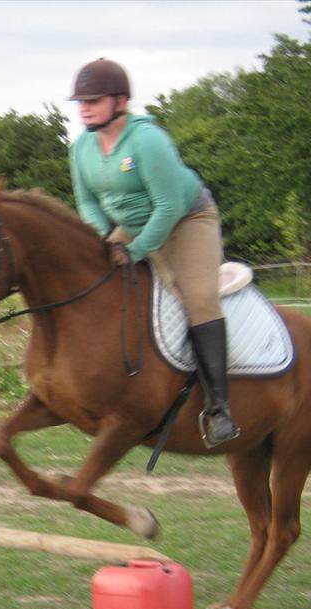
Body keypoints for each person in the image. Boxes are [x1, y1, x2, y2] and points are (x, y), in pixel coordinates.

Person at [68, 58, 240, 447]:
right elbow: (87, 203)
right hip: (131, 226)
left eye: (93, 100)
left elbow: (168, 206)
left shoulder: (148, 141)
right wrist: (108, 240)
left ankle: (218, 409)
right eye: (81, 102)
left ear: (121, 102)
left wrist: (139, 249)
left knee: (198, 299)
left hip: (187, 219)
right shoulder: (81, 148)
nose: (85, 109)